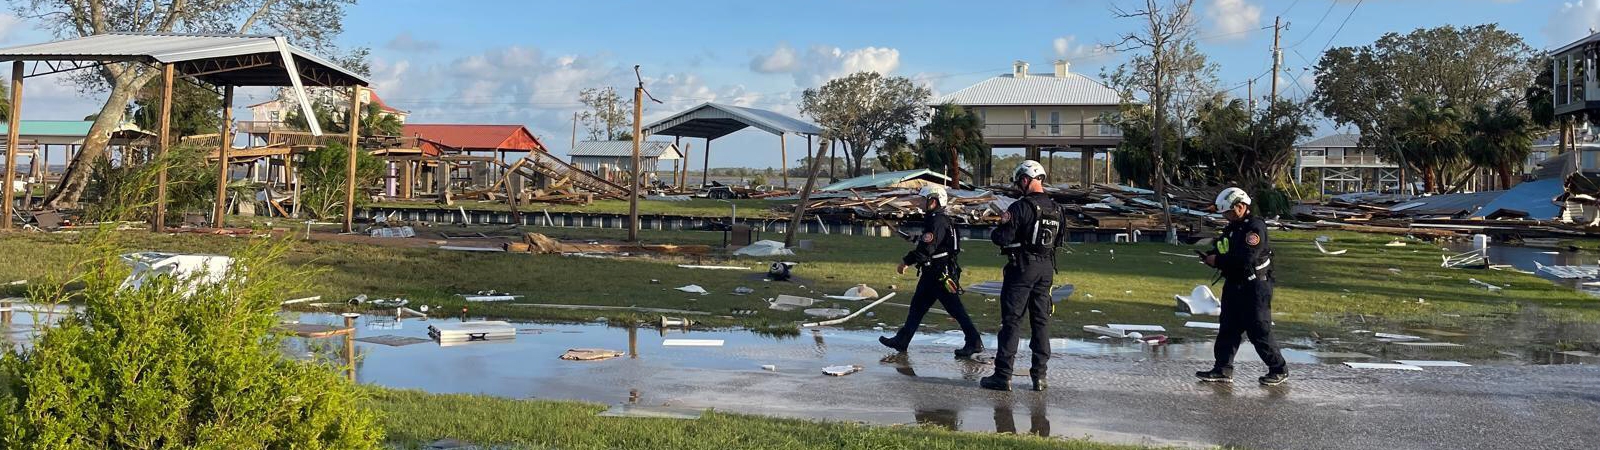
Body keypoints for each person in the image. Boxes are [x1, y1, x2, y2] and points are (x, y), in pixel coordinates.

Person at [980, 160, 1062, 392]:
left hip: (1022, 268)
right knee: (1041, 321)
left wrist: (998, 228)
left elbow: (1002, 238)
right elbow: (1059, 240)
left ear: (1025, 180)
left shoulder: (1020, 207)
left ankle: (1003, 375)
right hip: (1046, 268)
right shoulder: (1057, 209)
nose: (1018, 187)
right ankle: (1040, 376)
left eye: (1019, 182)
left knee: (1012, 321)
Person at [1197, 187, 1289, 386]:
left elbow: (1247, 258)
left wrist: (1218, 261)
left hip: (1255, 286)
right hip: (1234, 284)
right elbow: (1224, 247)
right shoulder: (1232, 227)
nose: (1226, 216)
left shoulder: (1254, 228)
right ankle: (1222, 369)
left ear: (1240, 206)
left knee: (1258, 329)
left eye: (1229, 212)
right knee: (1228, 328)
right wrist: (1212, 255)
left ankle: (1278, 368)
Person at [880, 185, 984, 357]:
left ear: (934, 201)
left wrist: (906, 261)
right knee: (917, 307)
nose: (921, 203)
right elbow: (930, 243)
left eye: (924, 200)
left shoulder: (937, 221)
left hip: (939, 274)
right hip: (933, 272)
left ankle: (974, 341)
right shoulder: (938, 220)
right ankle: (902, 340)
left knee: (956, 310)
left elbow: (927, 249)